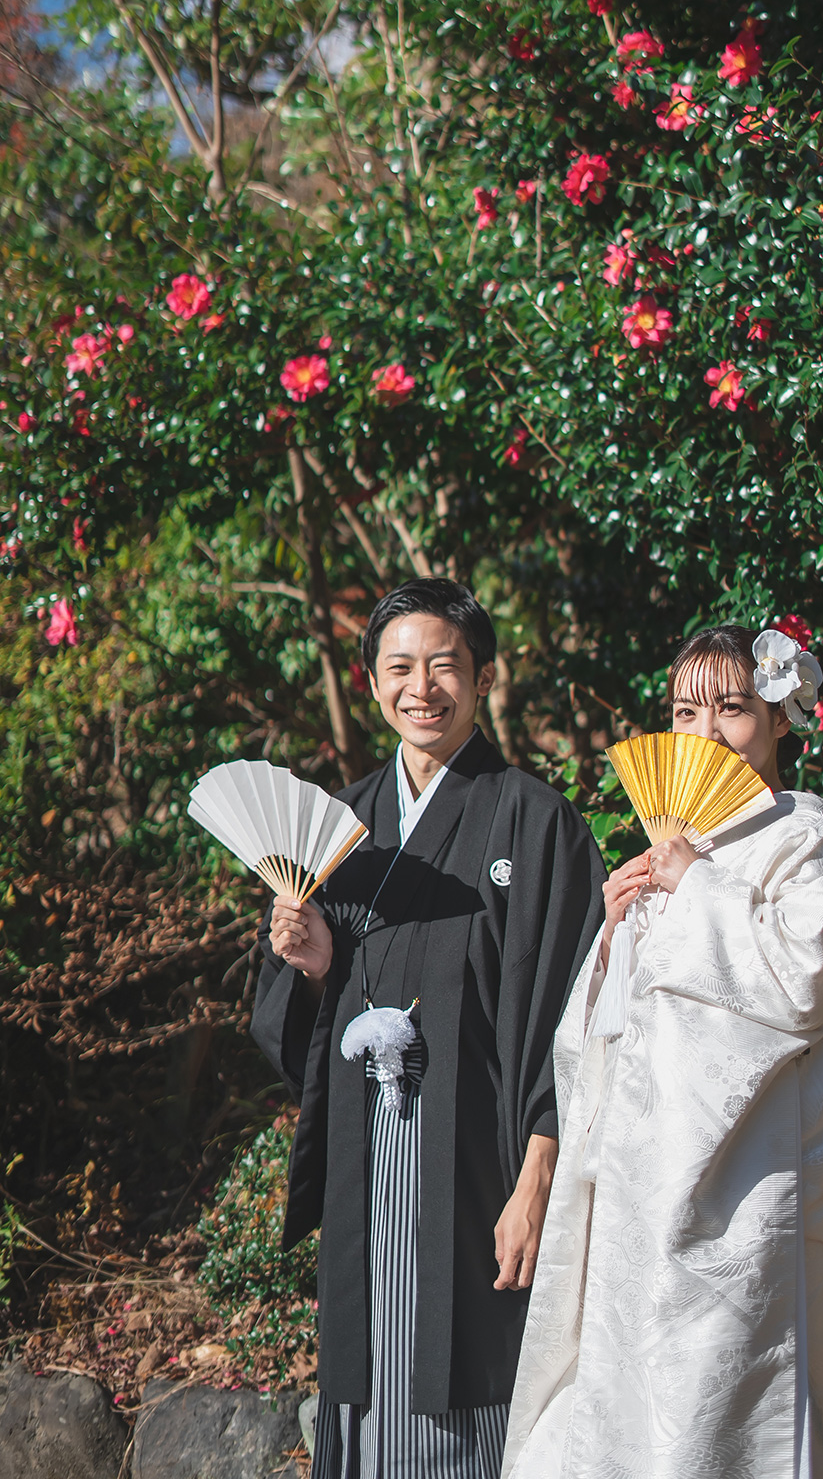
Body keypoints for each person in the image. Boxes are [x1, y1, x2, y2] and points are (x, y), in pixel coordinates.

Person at [501, 622, 823, 1479]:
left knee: (717, 1414)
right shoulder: (670, 848)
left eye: (731, 708)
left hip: (739, 1194)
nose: (704, 733)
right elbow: (599, 1045)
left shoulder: (802, 842)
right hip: (631, 1191)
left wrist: (694, 888)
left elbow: (804, 983)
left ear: (779, 720)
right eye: (686, 711)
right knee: (616, 1407)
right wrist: (614, 941)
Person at [251, 579, 606, 1479]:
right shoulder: (338, 825)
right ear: (371, 683)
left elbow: (574, 1014)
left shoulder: (536, 821)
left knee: (475, 1365)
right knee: (370, 1371)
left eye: (445, 665)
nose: (422, 688)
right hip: (367, 1155)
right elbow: (293, 1032)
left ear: (482, 678)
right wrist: (315, 963)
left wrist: (539, 1174)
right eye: (399, 667)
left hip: (482, 1161)